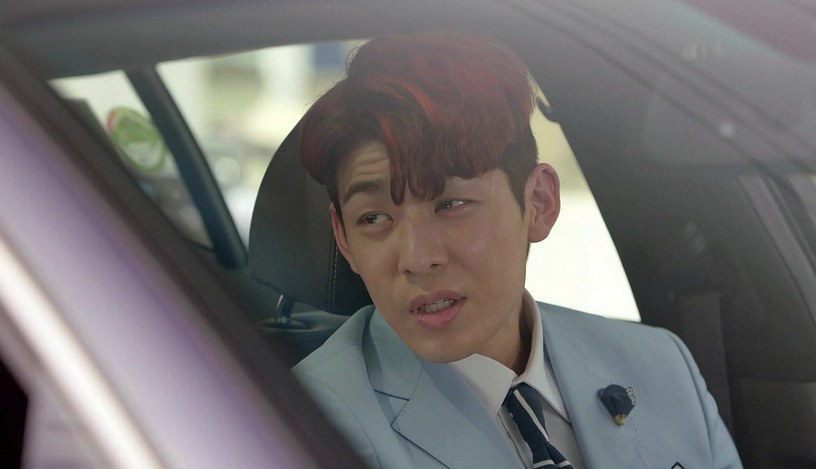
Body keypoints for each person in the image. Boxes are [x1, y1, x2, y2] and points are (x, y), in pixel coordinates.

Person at [292, 32, 741, 469]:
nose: (417, 258)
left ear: (538, 203)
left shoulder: (660, 366)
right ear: (344, 238)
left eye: (450, 204)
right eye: (373, 218)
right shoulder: (301, 425)